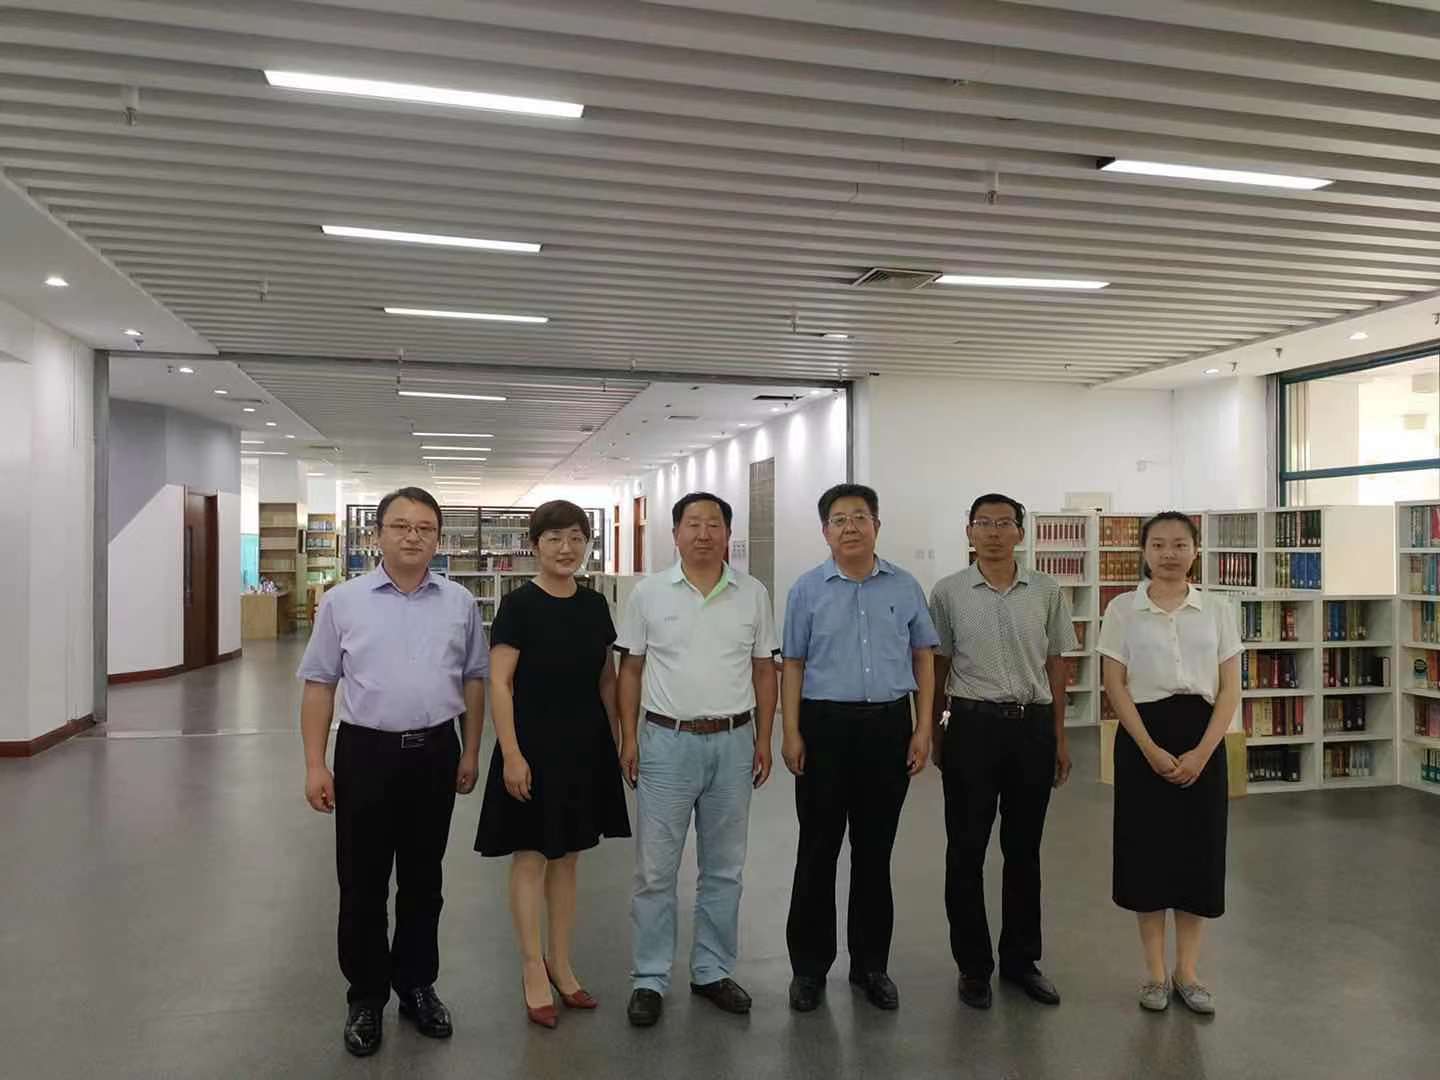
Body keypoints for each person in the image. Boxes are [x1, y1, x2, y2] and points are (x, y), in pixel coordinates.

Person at [297, 486, 487, 1057]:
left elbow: (474, 679)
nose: (412, 536)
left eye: (425, 528)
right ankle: (365, 996)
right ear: (377, 534)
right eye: (400, 525)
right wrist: (315, 763)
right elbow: (319, 684)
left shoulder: (460, 603)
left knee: (424, 880)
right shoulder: (343, 602)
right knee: (362, 882)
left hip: (435, 752)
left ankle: (417, 984)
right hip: (366, 755)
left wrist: (471, 751)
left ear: (438, 538)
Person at [616, 491, 780, 1028]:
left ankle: (711, 969)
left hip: (733, 742)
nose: (704, 533)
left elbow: (764, 670)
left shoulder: (752, 593)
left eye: (714, 524)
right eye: (693, 524)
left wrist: (763, 738)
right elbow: (631, 670)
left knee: (725, 868)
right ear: (676, 534)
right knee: (656, 870)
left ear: (728, 534)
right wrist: (629, 738)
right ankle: (649, 977)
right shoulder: (648, 593)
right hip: (666, 742)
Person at [780, 483, 939, 1014]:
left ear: (877, 525)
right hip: (824, 728)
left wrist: (922, 729)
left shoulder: (905, 585)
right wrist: (791, 731)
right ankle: (808, 969)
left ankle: (871, 966)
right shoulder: (806, 590)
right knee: (817, 851)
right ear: (825, 531)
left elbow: (923, 657)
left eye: (860, 517)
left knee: (875, 853)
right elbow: (793, 663)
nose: (850, 527)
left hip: (887, 727)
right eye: (839, 519)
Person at [474, 501, 631, 1030]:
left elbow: (606, 678)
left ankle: (561, 963)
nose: (567, 548)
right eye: (554, 538)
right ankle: (531, 967)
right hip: (533, 746)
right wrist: (512, 753)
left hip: (584, 746)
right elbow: (500, 683)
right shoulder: (518, 606)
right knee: (532, 855)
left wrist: (615, 737)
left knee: (568, 858)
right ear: (534, 545)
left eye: (576, 538)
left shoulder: (594, 605)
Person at [929, 494, 1077, 1011]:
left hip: (1031, 728)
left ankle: (1021, 961)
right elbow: (939, 665)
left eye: (1004, 523)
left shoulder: (1046, 590)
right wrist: (935, 731)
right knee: (965, 850)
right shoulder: (947, 592)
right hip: (971, 727)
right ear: (968, 531)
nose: (993, 532)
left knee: (1024, 850)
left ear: (1020, 532)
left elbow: (1057, 664)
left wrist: (1059, 736)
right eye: (983, 523)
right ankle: (973, 966)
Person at [1098, 512, 1240, 1015]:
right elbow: (1115, 685)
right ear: (1144, 551)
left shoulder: (1219, 609)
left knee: (1199, 853)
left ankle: (1189, 972)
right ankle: (1155, 974)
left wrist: (1203, 752)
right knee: (1147, 854)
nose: (1169, 554)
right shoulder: (1122, 609)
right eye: (1158, 544)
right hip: (1143, 738)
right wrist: (1149, 749)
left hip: (1203, 737)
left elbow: (1230, 688)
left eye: (1180, 544)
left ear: (1196, 550)